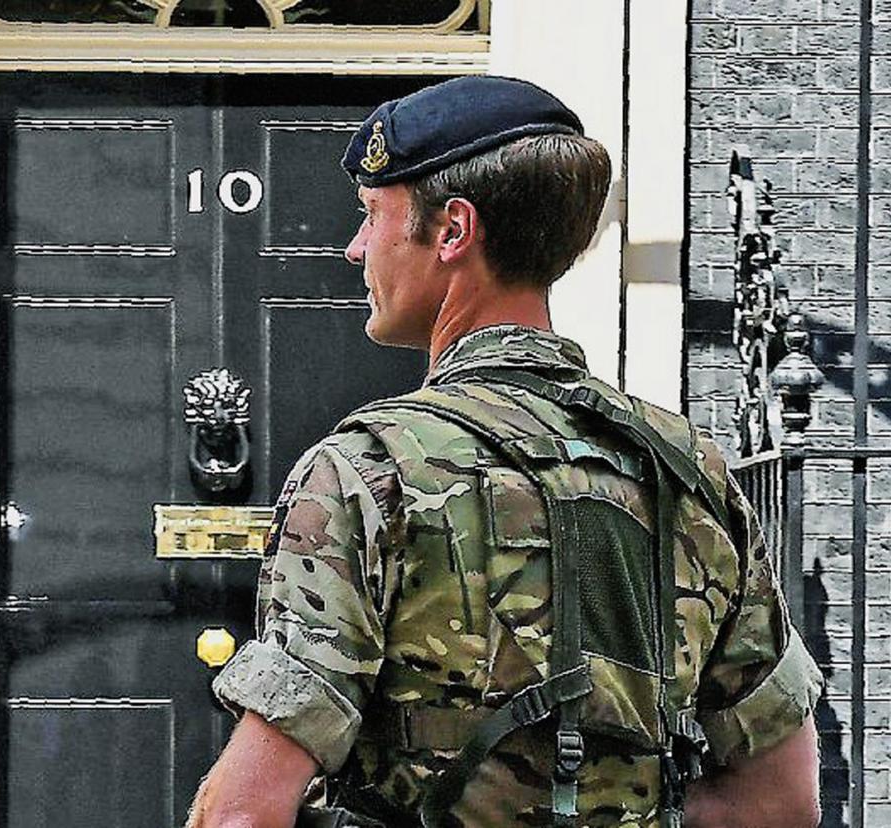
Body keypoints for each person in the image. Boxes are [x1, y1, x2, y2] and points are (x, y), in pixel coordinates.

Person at [187, 76, 823, 828]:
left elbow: (241, 815)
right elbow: (779, 800)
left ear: (452, 231)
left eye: (372, 216)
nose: (356, 248)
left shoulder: (371, 469)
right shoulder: (689, 472)